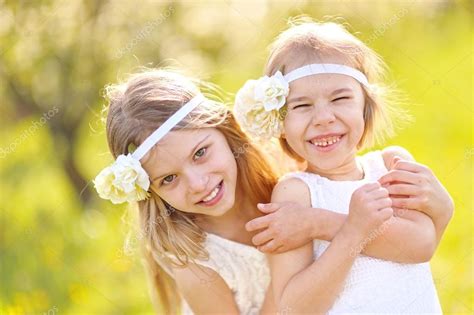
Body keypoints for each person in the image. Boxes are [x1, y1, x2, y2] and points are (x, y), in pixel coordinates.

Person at [234, 18, 453, 314]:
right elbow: (294, 308)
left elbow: (420, 246)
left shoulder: (390, 166)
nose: (324, 117)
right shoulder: (296, 195)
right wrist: (351, 233)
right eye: (302, 105)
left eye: (340, 98)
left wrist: (321, 223)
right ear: (282, 124)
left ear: (365, 107)